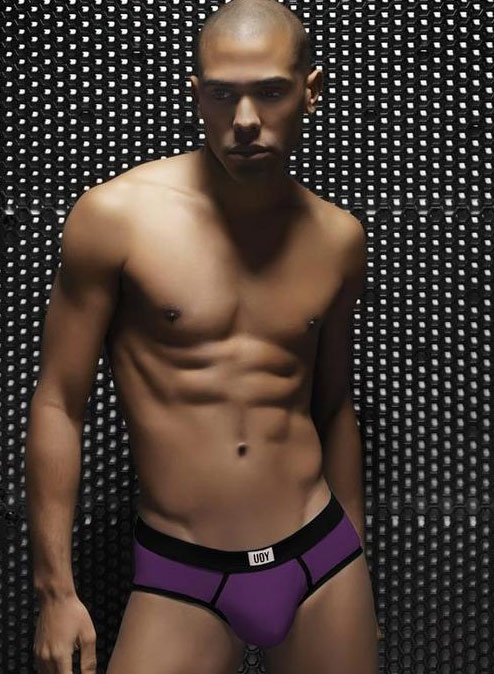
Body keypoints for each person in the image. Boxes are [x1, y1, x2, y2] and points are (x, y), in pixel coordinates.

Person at [26, 0, 381, 672]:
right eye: (222, 94)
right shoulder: (115, 218)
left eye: (269, 92)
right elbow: (58, 404)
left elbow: (333, 407)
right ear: (196, 95)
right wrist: (55, 591)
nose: (244, 119)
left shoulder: (338, 238)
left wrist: (356, 555)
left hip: (322, 562)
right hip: (183, 572)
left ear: (310, 90)